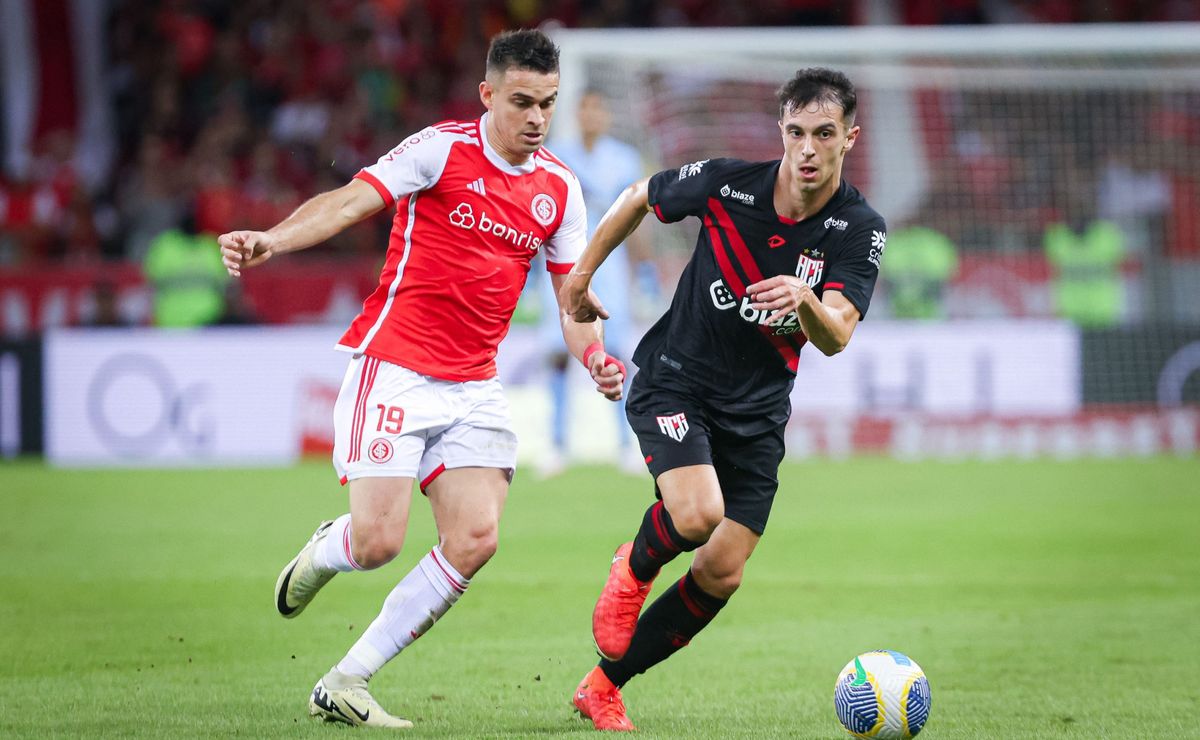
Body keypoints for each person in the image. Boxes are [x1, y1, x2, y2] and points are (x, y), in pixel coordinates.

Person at [217, 29, 624, 729]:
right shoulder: (440, 150)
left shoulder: (560, 189)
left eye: (547, 104)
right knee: (377, 544)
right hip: (397, 367)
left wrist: (594, 357)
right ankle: (329, 546)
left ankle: (347, 679)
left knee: (476, 538)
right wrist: (271, 240)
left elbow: (572, 299)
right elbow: (351, 200)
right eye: (522, 101)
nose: (536, 118)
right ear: (487, 95)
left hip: (474, 385)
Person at [560, 68, 885, 731]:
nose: (808, 149)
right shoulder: (730, 183)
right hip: (676, 377)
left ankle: (603, 685)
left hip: (759, 412)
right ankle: (635, 563)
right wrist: (582, 277)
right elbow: (638, 197)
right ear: (782, 132)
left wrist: (805, 302)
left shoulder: (857, 227)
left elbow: (838, 335)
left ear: (849, 137)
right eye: (796, 132)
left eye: (825, 134)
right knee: (697, 513)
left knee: (723, 571)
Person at [537, 90, 650, 476]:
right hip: (562, 265)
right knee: (558, 356)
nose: (592, 116)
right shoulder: (556, 155)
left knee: (614, 351)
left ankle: (624, 442)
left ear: (606, 116)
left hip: (612, 267)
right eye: (585, 109)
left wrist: (645, 270)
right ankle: (556, 444)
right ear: (578, 114)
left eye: (598, 109)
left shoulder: (624, 159)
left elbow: (636, 221)